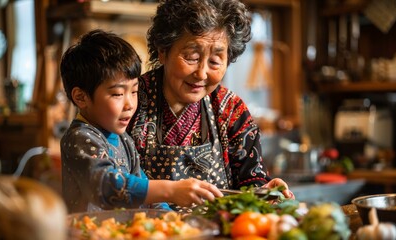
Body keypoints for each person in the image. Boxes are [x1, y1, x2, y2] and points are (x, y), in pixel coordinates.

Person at [128, 0, 294, 199]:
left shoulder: (231, 110)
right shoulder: (129, 100)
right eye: (191, 57)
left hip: (217, 227)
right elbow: (107, 180)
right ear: (163, 51)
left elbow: (251, 181)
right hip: (145, 228)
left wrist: (265, 191)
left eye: (215, 61)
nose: (201, 73)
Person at [60, 29, 223, 213]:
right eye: (118, 94)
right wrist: (170, 190)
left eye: (134, 91)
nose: (130, 104)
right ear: (81, 97)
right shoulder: (79, 138)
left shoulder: (123, 140)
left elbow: (146, 190)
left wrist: (171, 217)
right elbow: (106, 186)